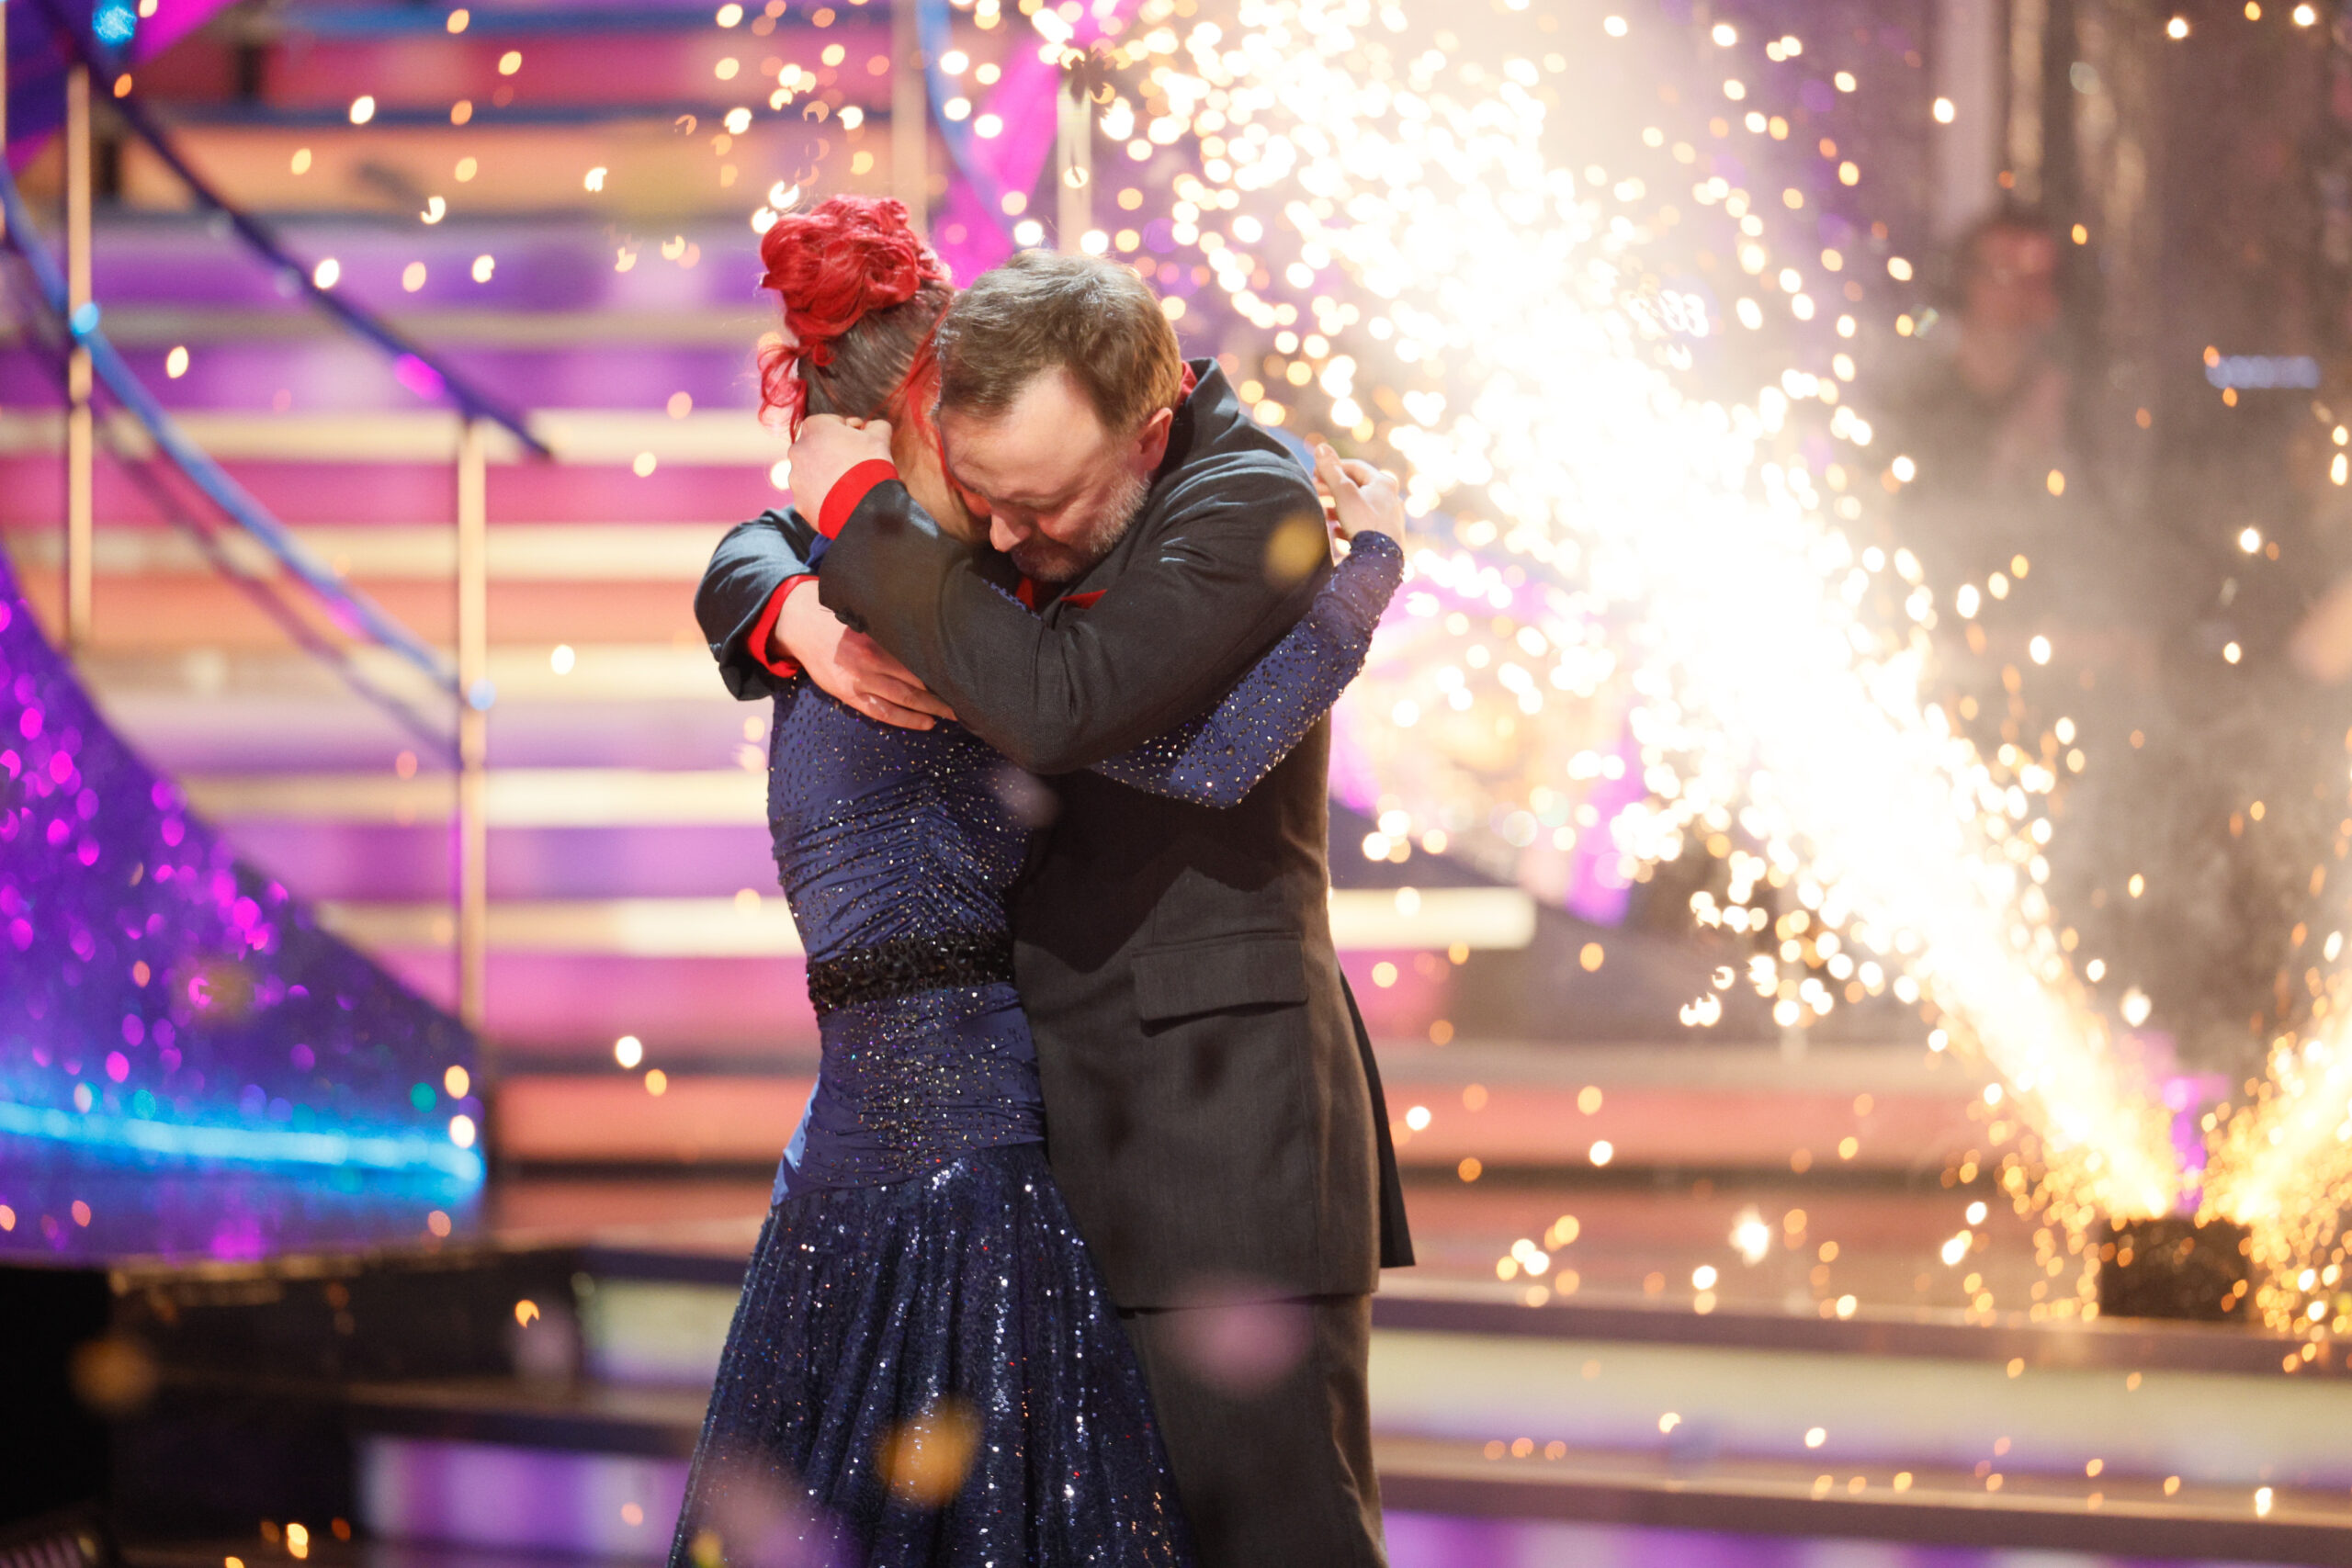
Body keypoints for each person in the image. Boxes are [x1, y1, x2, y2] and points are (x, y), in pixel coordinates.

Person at [673, 196, 1406, 1567]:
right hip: (1005, 1157)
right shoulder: (908, 587)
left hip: (1208, 1159)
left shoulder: (1242, 495)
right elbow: (752, 548)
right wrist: (790, 599)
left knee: (1275, 1541)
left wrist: (1364, 575)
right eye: (986, 493)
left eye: (1040, 500)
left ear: (1137, 428)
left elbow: (1099, 718)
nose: (1010, 537)